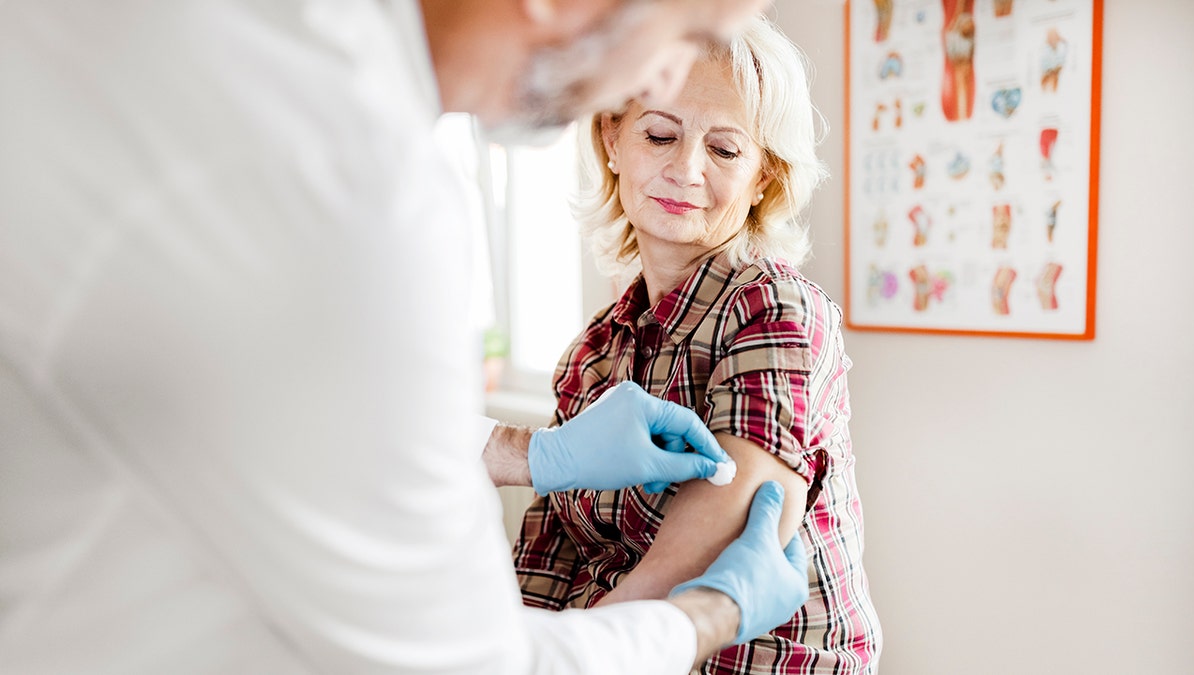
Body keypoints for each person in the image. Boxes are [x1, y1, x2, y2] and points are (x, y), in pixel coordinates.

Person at [0, 0, 812, 673]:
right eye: (685, 34)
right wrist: (704, 615)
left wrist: (530, 456)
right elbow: (468, 656)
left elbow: (286, 418)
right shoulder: (348, 193)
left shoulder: (257, 65)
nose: (662, 77)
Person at [512, 15, 882, 672]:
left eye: (725, 149)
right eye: (659, 134)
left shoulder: (776, 308)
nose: (685, 169)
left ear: (762, 177)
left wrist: (584, 650)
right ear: (612, 140)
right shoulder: (589, 356)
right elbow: (551, 555)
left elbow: (725, 517)